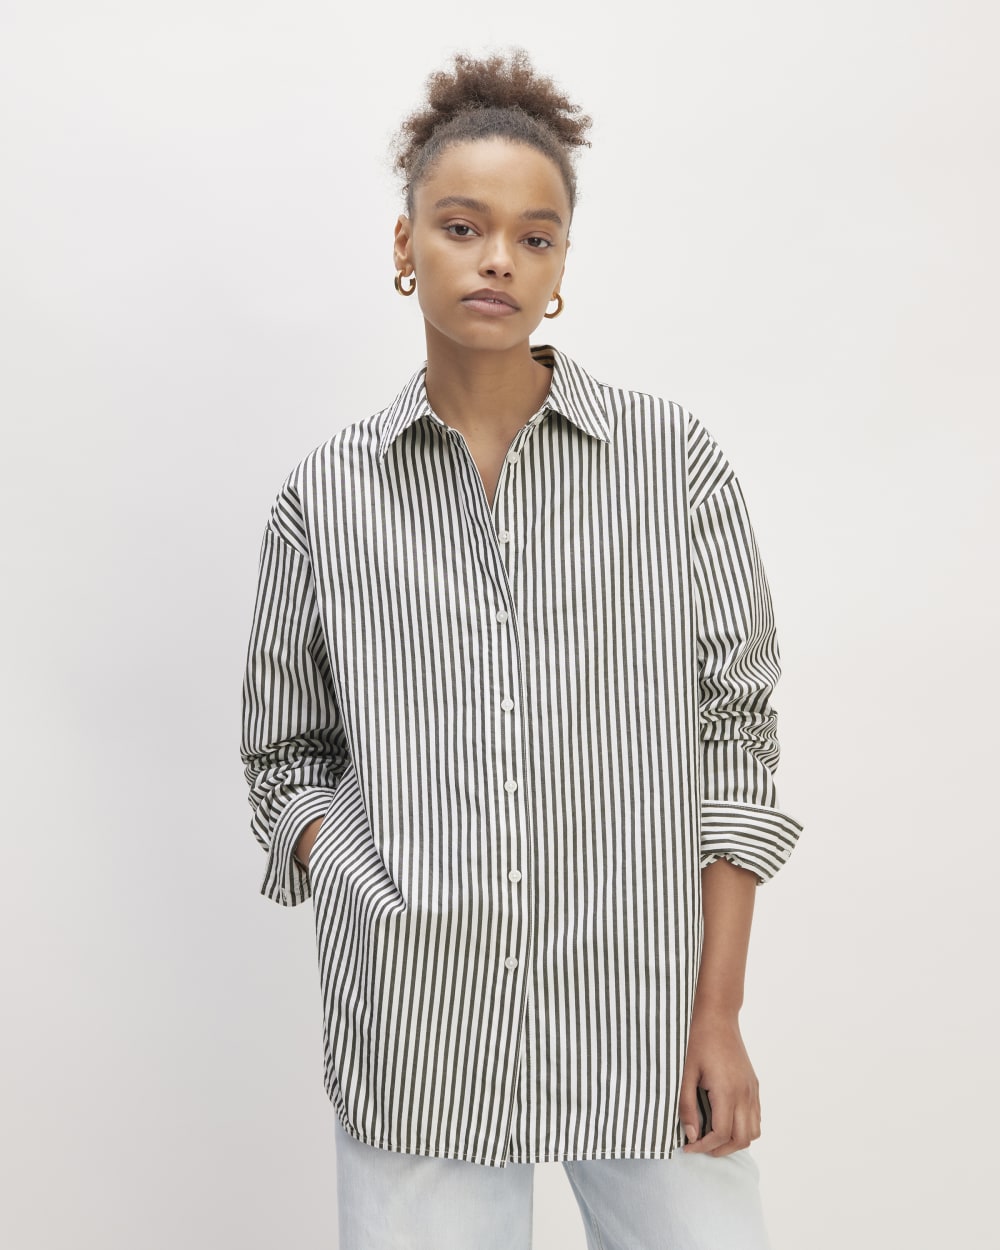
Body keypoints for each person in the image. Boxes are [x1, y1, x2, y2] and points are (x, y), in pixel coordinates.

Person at [241, 48, 802, 1250]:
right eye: (463, 225)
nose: (498, 257)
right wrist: (369, 881)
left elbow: (734, 735)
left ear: (559, 269)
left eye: (534, 237)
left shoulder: (671, 463)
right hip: (420, 1027)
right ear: (406, 245)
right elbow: (284, 753)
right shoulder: (325, 498)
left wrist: (717, 1010)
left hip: (644, 1020)